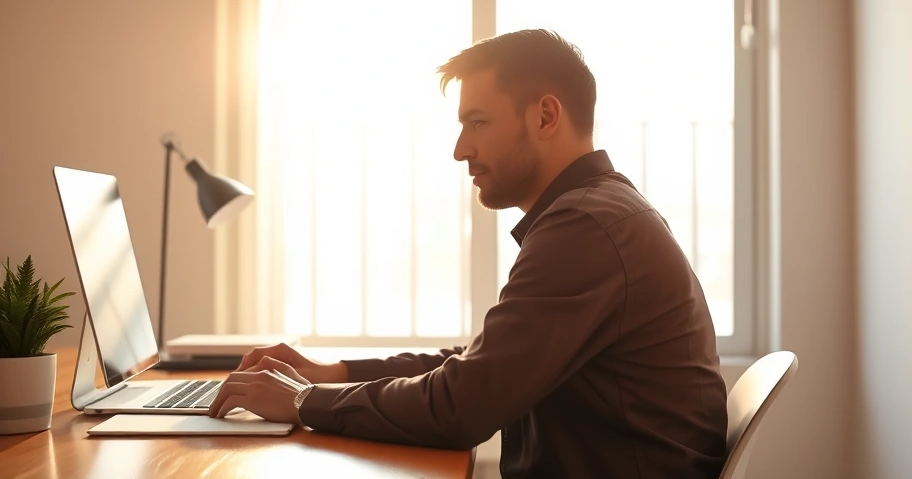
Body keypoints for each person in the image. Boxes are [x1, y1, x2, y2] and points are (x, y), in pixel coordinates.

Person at [209, 29, 729, 478]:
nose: (461, 149)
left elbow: (461, 405)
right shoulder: (596, 214)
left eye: (477, 122)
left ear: (546, 115)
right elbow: (478, 366)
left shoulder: (586, 227)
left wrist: (302, 402)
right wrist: (333, 372)